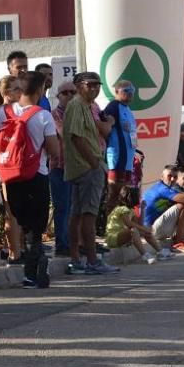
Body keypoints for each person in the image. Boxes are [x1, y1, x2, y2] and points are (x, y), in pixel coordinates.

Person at [0, 70, 60, 288]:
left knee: (21, 222)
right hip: (36, 174)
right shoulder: (43, 115)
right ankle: (33, 270)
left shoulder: (2, 113)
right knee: (36, 226)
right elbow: (53, 149)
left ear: (20, 89)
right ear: (40, 90)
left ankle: (33, 264)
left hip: (10, 176)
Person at [63, 72, 119, 275]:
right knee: (88, 214)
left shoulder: (87, 106)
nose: (95, 88)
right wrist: (94, 163)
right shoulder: (77, 105)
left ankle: (77, 260)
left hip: (83, 167)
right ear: (79, 85)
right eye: (90, 85)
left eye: (97, 85)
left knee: (78, 214)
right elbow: (77, 137)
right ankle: (92, 260)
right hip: (86, 168)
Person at [0, 75, 26, 264]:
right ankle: (13, 252)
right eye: (16, 89)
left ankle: (14, 247)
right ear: (6, 93)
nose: (21, 93)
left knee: (16, 210)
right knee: (11, 210)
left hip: (13, 164)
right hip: (9, 165)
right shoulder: (4, 112)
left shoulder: (7, 111)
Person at [102, 80, 138, 216]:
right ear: (116, 92)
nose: (130, 94)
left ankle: (120, 225)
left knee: (124, 195)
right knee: (114, 194)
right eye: (126, 91)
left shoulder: (128, 109)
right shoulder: (113, 106)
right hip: (117, 158)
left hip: (128, 160)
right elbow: (106, 128)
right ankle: (109, 227)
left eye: (132, 91)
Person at [142, 165, 184, 256]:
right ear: (162, 177)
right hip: (150, 230)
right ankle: (179, 242)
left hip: (156, 227)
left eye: (175, 177)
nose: (172, 179)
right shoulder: (162, 189)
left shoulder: (168, 188)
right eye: (169, 176)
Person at [50, 81, 76, 257]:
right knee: (62, 207)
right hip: (59, 167)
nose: (69, 95)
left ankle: (73, 242)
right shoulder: (54, 115)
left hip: (78, 167)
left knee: (75, 208)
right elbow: (66, 133)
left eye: (72, 92)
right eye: (65, 93)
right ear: (58, 96)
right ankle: (62, 243)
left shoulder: (81, 112)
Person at [105, 186, 160, 264]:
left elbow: (139, 224)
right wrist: (144, 229)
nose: (140, 198)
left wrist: (143, 209)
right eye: (138, 196)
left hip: (121, 235)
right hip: (113, 238)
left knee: (144, 232)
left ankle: (160, 251)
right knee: (133, 230)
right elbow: (129, 223)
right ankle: (145, 255)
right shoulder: (122, 209)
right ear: (131, 197)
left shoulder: (130, 210)